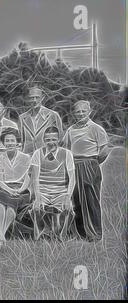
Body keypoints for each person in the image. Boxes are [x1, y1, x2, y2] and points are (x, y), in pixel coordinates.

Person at [62, 100, 110, 241]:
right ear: (74, 113)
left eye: (83, 111)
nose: (80, 114)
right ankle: (80, 233)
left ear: (89, 112)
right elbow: (65, 148)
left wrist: (92, 163)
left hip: (90, 164)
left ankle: (95, 234)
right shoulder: (70, 130)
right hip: (74, 166)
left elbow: (104, 151)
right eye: (78, 112)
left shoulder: (96, 128)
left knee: (91, 199)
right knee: (75, 199)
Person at [0, 128, 31, 245]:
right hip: (5, 188)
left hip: (22, 189)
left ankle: (0, 237)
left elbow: (28, 178)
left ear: (17, 142)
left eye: (12, 140)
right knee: (0, 198)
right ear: (3, 143)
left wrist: (20, 190)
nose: (10, 143)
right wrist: (10, 190)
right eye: (7, 141)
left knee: (11, 205)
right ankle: (1, 236)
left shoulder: (26, 158)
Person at [30, 126, 76, 240]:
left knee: (68, 208)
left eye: (54, 139)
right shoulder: (37, 153)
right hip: (43, 192)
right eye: (48, 140)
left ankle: (60, 235)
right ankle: (41, 234)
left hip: (60, 192)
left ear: (59, 139)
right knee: (36, 208)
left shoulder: (67, 154)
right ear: (44, 140)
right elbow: (35, 178)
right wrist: (38, 197)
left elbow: (72, 178)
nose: (51, 143)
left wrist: (67, 197)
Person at [19, 86, 63, 155]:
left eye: (37, 97)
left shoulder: (52, 115)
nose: (34, 100)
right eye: (31, 98)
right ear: (28, 99)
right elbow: (21, 140)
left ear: (42, 98)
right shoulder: (22, 118)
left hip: (46, 155)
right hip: (28, 156)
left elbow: (60, 138)